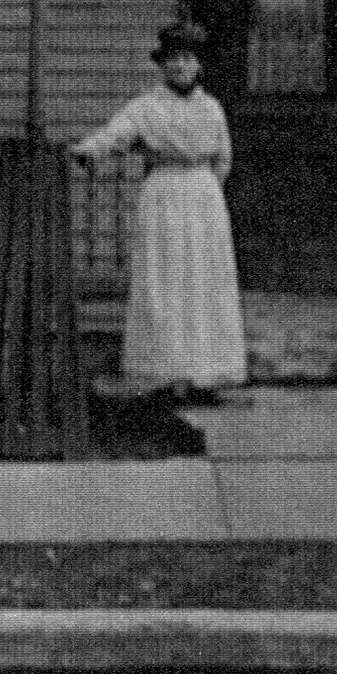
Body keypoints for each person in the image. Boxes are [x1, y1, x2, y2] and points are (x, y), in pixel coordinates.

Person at [74, 20, 247, 402]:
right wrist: (89, 149)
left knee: (204, 281)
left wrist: (204, 188)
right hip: (163, 193)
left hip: (203, 195)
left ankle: (205, 374)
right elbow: (116, 133)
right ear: (162, 65)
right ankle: (166, 374)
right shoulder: (146, 107)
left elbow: (224, 160)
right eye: (173, 60)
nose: (181, 67)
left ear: (199, 65)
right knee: (164, 278)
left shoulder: (212, 109)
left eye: (188, 59)